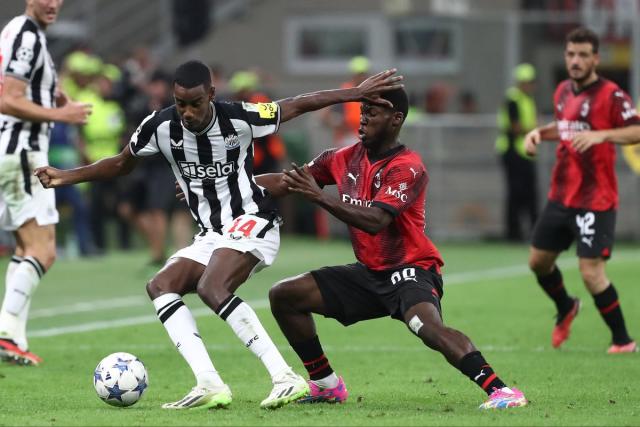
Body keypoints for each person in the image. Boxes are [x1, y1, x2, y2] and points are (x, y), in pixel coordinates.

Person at [34, 60, 403, 409]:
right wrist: (67, 176)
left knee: (213, 287)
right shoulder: (159, 126)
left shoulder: (240, 117)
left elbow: (296, 104)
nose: (188, 113)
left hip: (253, 220)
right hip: (213, 232)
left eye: (195, 104)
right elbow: (119, 164)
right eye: (180, 104)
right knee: (161, 285)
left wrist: (354, 94)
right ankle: (209, 382)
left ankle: (284, 377)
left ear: (211, 94)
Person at [265, 87, 528, 410]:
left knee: (426, 327)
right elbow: (286, 181)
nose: (363, 119)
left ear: (396, 119)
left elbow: (376, 220)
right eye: (362, 112)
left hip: (411, 269)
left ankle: (501, 391)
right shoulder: (340, 158)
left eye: (372, 114)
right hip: (369, 272)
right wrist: (221, 185)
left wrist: (320, 197)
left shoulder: (408, 166)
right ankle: (325, 384)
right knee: (284, 295)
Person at [524, 27, 640, 353]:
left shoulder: (611, 95)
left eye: (583, 55)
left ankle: (623, 341)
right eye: (571, 54)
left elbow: (636, 131)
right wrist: (537, 133)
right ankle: (565, 306)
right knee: (538, 262)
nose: (575, 61)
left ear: (595, 58)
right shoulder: (562, 90)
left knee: (591, 273)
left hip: (595, 199)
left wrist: (602, 135)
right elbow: (565, 128)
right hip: (561, 195)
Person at [0, 0, 91, 366]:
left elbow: (19, 84)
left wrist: (52, 94)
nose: (53, 3)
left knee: (25, 247)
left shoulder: (20, 31)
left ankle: (14, 339)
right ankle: (5, 332)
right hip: (24, 152)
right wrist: (60, 114)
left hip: (14, 150)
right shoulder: (27, 35)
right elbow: (7, 97)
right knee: (44, 249)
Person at [495, 63, 539, 241]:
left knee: (530, 192)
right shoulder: (513, 99)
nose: (528, 85)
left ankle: (532, 231)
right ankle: (513, 232)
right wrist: (534, 131)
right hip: (512, 151)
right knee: (516, 192)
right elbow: (515, 127)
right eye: (525, 81)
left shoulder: (527, 100)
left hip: (525, 151)